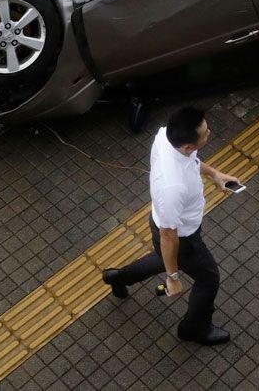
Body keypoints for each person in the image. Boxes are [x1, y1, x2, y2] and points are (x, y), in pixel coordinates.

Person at [102, 105, 241, 346]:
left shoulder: (166, 136)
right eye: (206, 133)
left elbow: (192, 162)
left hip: (164, 224)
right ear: (188, 145)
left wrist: (215, 174)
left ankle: (118, 278)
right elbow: (169, 236)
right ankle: (193, 329)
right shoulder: (172, 187)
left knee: (163, 257)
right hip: (182, 237)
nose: (210, 133)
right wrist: (173, 277)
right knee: (208, 279)